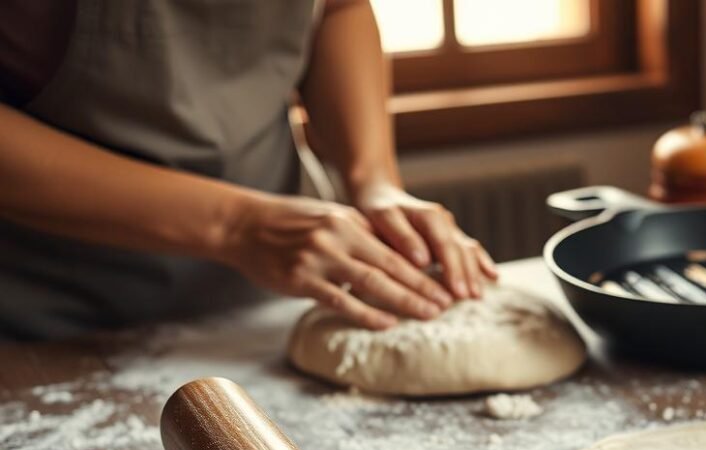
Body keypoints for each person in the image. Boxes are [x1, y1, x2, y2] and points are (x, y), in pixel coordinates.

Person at [0, 0, 496, 341]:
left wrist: (373, 178)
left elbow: (337, 9)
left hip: (274, 306)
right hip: (52, 316)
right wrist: (237, 225)